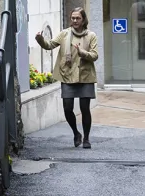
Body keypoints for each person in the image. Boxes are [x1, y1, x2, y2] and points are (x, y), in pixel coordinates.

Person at [35, 8, 99, 149]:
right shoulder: (65, 34)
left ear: (83, 20)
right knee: (67, 107)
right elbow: (50, 45)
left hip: (85, 76)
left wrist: (83, 53)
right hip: (67, 75)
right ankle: (76, 134)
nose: (75, 21)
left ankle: (86, 138)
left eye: (78, 18)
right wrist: (40, 41)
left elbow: (95, 55)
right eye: (73, 18)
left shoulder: (91, 35)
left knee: (85, 108)